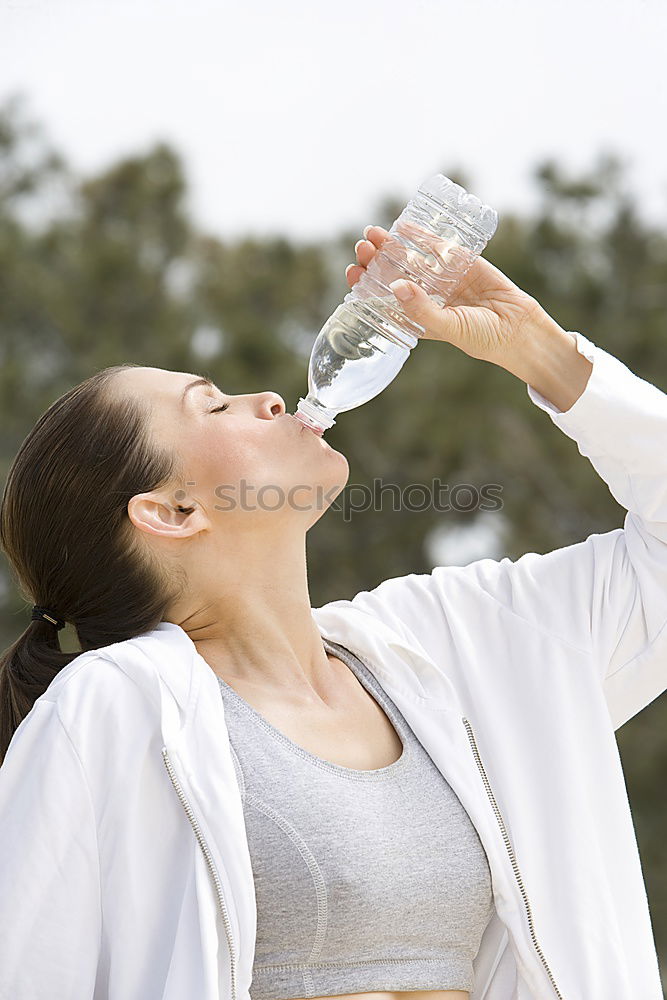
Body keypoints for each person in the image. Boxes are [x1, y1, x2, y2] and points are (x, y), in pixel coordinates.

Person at [0, 225, 666, 1000]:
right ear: (172, 512)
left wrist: (545, 356)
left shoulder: (454, 645)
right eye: (213, 406)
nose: (268, 398)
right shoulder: (114, 709)